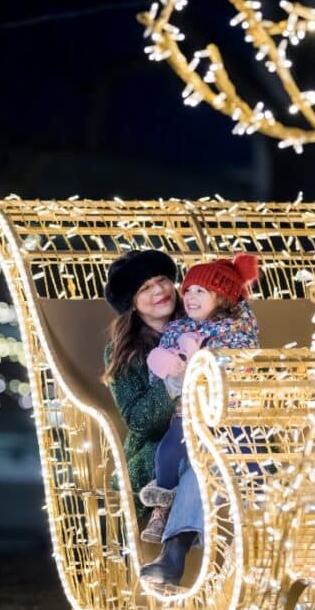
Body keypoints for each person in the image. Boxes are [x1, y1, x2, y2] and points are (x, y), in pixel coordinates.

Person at [136, 255, 261, 553]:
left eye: (200, 291)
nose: (190, 296)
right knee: (167, 454)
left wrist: (203, 364)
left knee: (240, 458)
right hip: (188, 414)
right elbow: (158, 371)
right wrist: (171, 369)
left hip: (228, 415)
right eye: (188, 290)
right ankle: (162, 506)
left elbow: (241, 367)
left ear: (222, 297)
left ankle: (242, 518)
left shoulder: (238, 331)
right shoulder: (177, 330)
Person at [100, 250, 202, 587]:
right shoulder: (123, 350)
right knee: (197, 461)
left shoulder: (202, 323)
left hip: (213, 430)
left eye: (162, 280)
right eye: (145, 288)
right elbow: (139, 421)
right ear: (131, 302)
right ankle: (173, 554)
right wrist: (172, 383)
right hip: (157, 449)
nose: (159, 290)